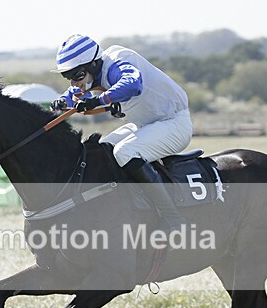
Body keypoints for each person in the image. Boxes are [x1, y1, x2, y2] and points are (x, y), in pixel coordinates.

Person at [50, 34, 192, 232]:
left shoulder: (117, 61)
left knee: (124, 152)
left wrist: (98, 101)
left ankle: (172, 217)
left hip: (174, 123)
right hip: (145, 125)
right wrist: (63, 101)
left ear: (93, 64)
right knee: (100, 153)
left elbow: (132, 84)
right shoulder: (91, 75)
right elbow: (75, 93)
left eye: (76, 76)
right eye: (68, 77)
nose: (73, 82)